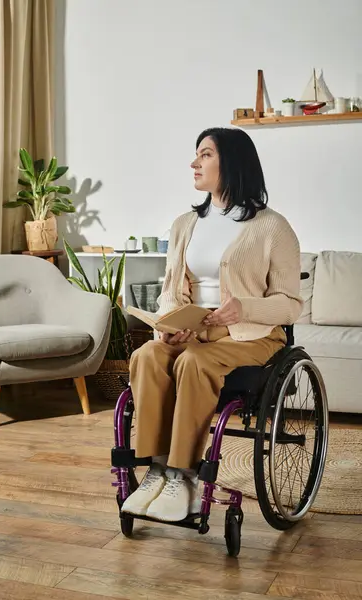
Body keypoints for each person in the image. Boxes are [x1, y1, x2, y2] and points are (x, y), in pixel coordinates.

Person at [122, 127, 303, 522]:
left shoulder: (273, 227)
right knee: (149, 355)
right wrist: (169, 324)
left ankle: (183, 476)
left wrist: (246, 308)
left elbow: (290, 305)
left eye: (204, 154)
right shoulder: (185, 224)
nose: (194, 163)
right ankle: (156, 471)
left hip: (250, 335)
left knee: (194, 363)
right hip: (194, 332)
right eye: (196, 154)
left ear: (232, 163)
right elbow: (171, 289)